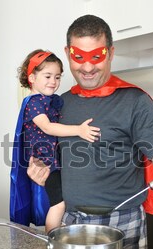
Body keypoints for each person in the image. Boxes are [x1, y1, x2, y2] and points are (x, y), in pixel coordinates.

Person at [27, 15, 153, 249]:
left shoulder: (135, 102)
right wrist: (41, 170)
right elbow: (54, 158)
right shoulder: (57, 104)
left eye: (96, 56)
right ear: (67, 53)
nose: (87, 67)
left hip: (122, 221)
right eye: (78, 57)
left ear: (111, 52)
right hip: (69, 218)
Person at [10, 49, 101, 233]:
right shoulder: (34, 102)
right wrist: (79, 130)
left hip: (55, 161)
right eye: (48, 76)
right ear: (32, 78)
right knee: (58, 204)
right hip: (46, 163)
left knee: (59, 201)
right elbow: (47, 127)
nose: (53, 82)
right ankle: (53, 238)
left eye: (57, 77)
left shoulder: (51, 101)